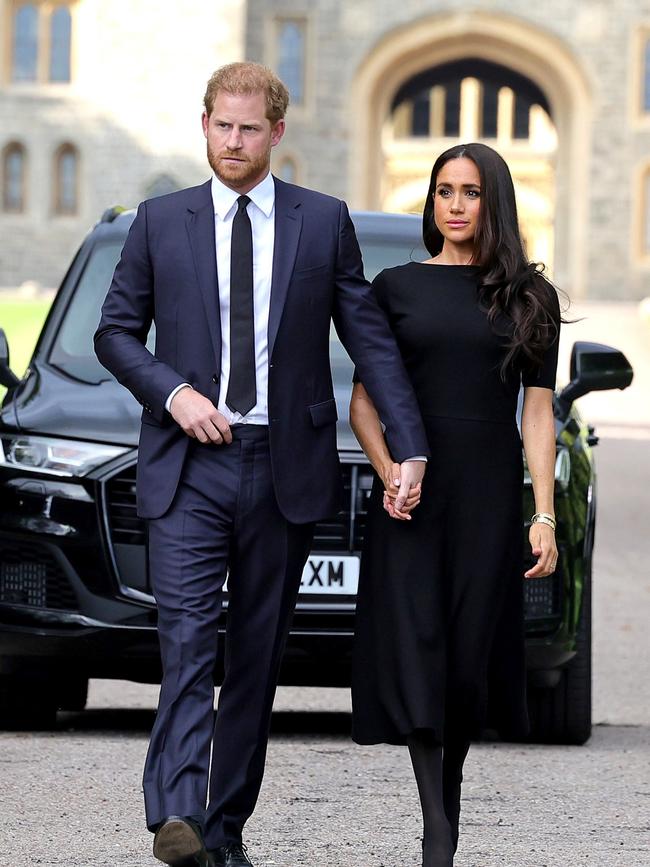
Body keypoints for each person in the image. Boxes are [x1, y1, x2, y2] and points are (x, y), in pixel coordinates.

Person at [94, 62, 429, 867]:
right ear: (203, 123)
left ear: (277, 132)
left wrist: (410, 443)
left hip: (285, 465)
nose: (234, 142)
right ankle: (177, 810)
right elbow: (114, 332)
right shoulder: (158, 221)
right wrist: (171, 393)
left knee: (254, 655)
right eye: (221, 126)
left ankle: (223, 829)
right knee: (187, 640)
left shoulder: (322, 222)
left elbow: (368, 339)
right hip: (187, 463)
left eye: (250, 129)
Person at [349, 142, 561, 867]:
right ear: (431, 201)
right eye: (444, 191)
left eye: (471, 191)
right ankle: (437, 827)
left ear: (493, 200)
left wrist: (543, 513)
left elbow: (538, 415)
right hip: (414, 500)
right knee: (419, 646)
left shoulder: (532, 296)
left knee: (468, 656)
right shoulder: (395, 287)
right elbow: (364, 404)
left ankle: (451, 793)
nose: (456, 204)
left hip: (487, 498)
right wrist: (387, 472)